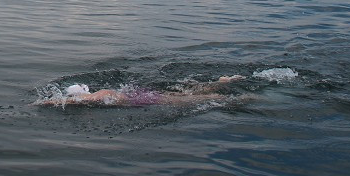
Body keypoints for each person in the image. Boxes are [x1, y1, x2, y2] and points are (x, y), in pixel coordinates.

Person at [36, 76, 245, 107]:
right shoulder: (103, 92)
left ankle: (233, 94)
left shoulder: (101, 95)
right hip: (142, 93)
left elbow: (73, 103)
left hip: (148, 99)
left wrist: (43, 103)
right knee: (191, 93)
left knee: (200, 98)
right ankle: (221, 82)